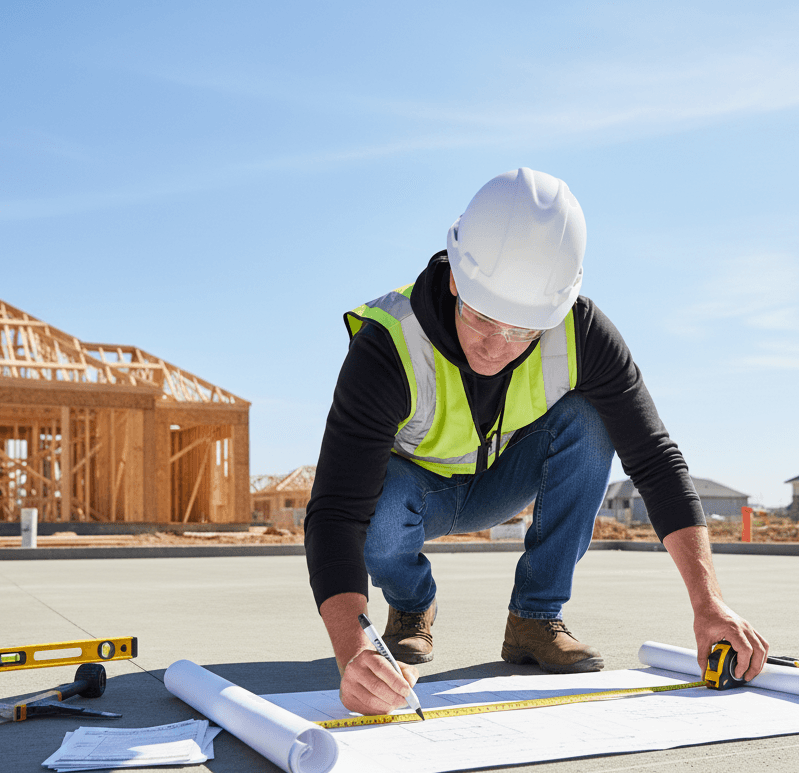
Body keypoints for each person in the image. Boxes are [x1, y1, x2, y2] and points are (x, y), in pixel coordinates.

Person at [305, 168, 768, 715]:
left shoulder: (584, 333)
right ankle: (410, 607)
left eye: (523, 329)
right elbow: (336, 510)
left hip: (502, 480)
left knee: (593, 417)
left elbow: (656, 460)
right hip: (409, 497)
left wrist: (708, 603)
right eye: (482, 318)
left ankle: (534, 617)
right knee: (376, 513)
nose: (497, 346)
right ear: (454, 277)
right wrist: (352, 648)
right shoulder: (389, 346)